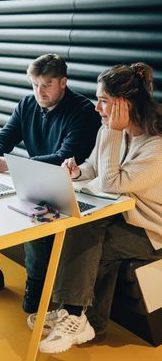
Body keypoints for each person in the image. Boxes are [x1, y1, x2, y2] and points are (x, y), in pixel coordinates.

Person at [32, 62, 162, 354]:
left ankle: (75, 315)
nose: (96, 107)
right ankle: (84, 322)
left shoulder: (156, 147)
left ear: (123, 105)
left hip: (152, 231)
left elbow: (112, 183)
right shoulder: (112, 129)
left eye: (103, 100)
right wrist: (78, 172)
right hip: (125, 217)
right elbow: (97, 167)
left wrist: (112, 134)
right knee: (85, 228)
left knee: (88, 231)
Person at [0, 54, 100, 312]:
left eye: (46, 85)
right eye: (34, 84)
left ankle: (37, 283)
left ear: (63, 82)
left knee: (32, 214)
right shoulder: (27, 104)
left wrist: (7, 165)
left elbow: (64, 158)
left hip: (67, 185)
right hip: (32, 178)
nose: (38, 91)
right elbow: (4, 136)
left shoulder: (84, 112)